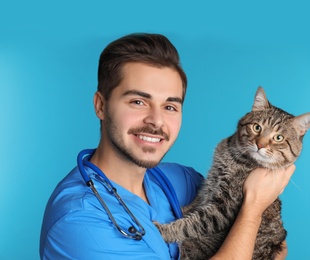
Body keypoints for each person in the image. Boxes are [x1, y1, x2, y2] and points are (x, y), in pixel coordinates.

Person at [39, 33, 295, 259]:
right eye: (138, 102)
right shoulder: (80, 222)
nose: (157, 121)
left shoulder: (180, 179)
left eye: (170, 106)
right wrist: (253, 209)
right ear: (101, 105)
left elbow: (276, 248)